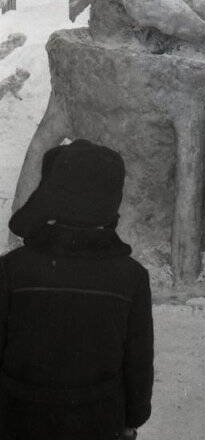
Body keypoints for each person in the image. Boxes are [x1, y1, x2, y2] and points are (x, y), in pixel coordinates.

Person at [0, 139, 154, 440]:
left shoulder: (12, 269)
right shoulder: (131, 277)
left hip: (18, 419)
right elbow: (138, 361)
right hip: (97, 421)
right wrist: (134, 416)